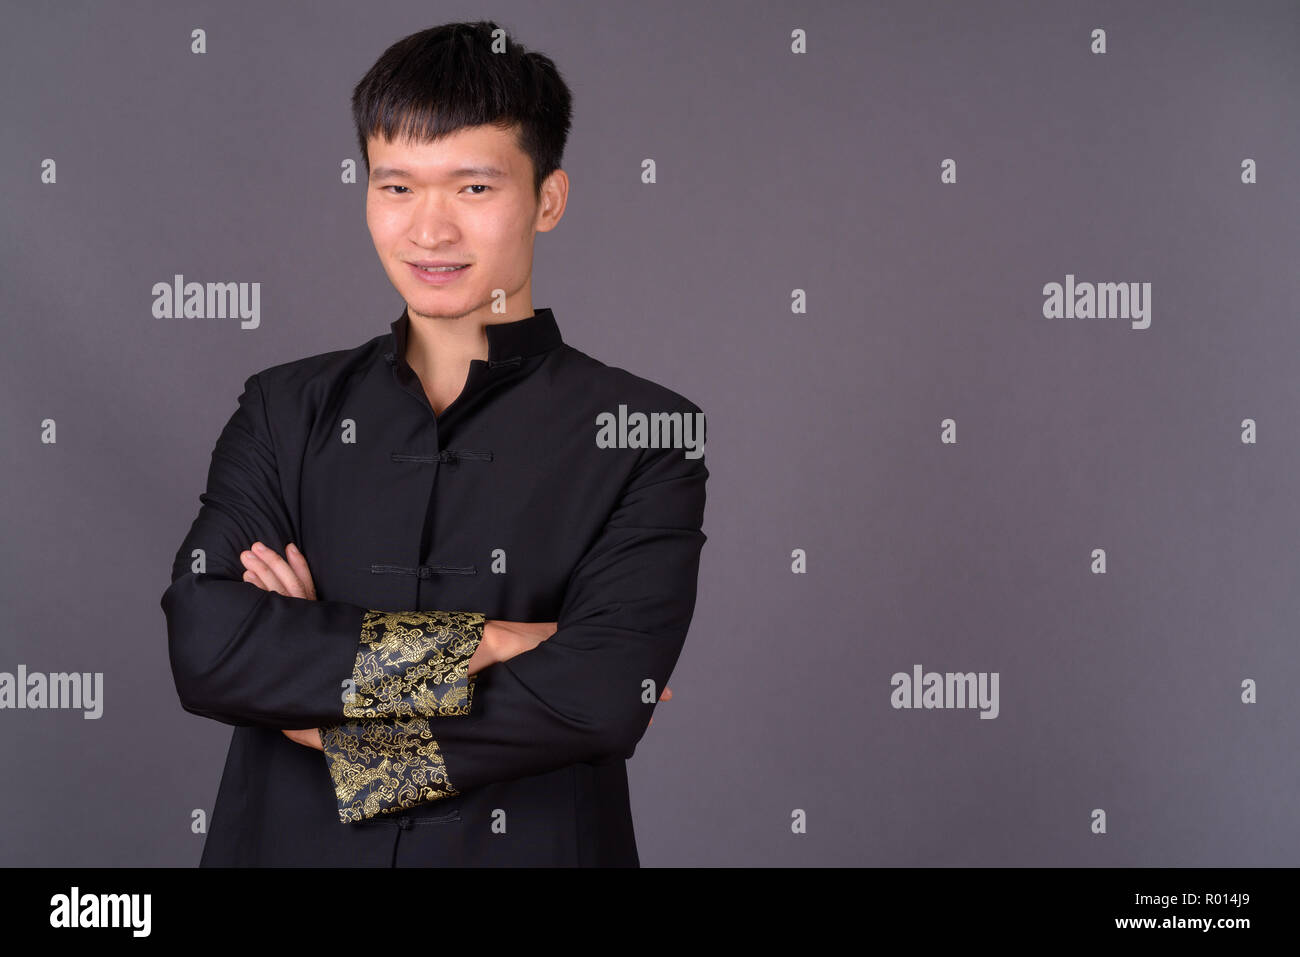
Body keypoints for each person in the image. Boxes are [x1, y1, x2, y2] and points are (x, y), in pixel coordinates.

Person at [160, 20, 708, 866]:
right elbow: (209, 645)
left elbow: (597, 698)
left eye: (474, 188)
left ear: (548, 198)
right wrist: (496, 642)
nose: (429, 231)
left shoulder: (647, 434)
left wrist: (330, 724)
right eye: (397, 187)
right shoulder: (282, 408)